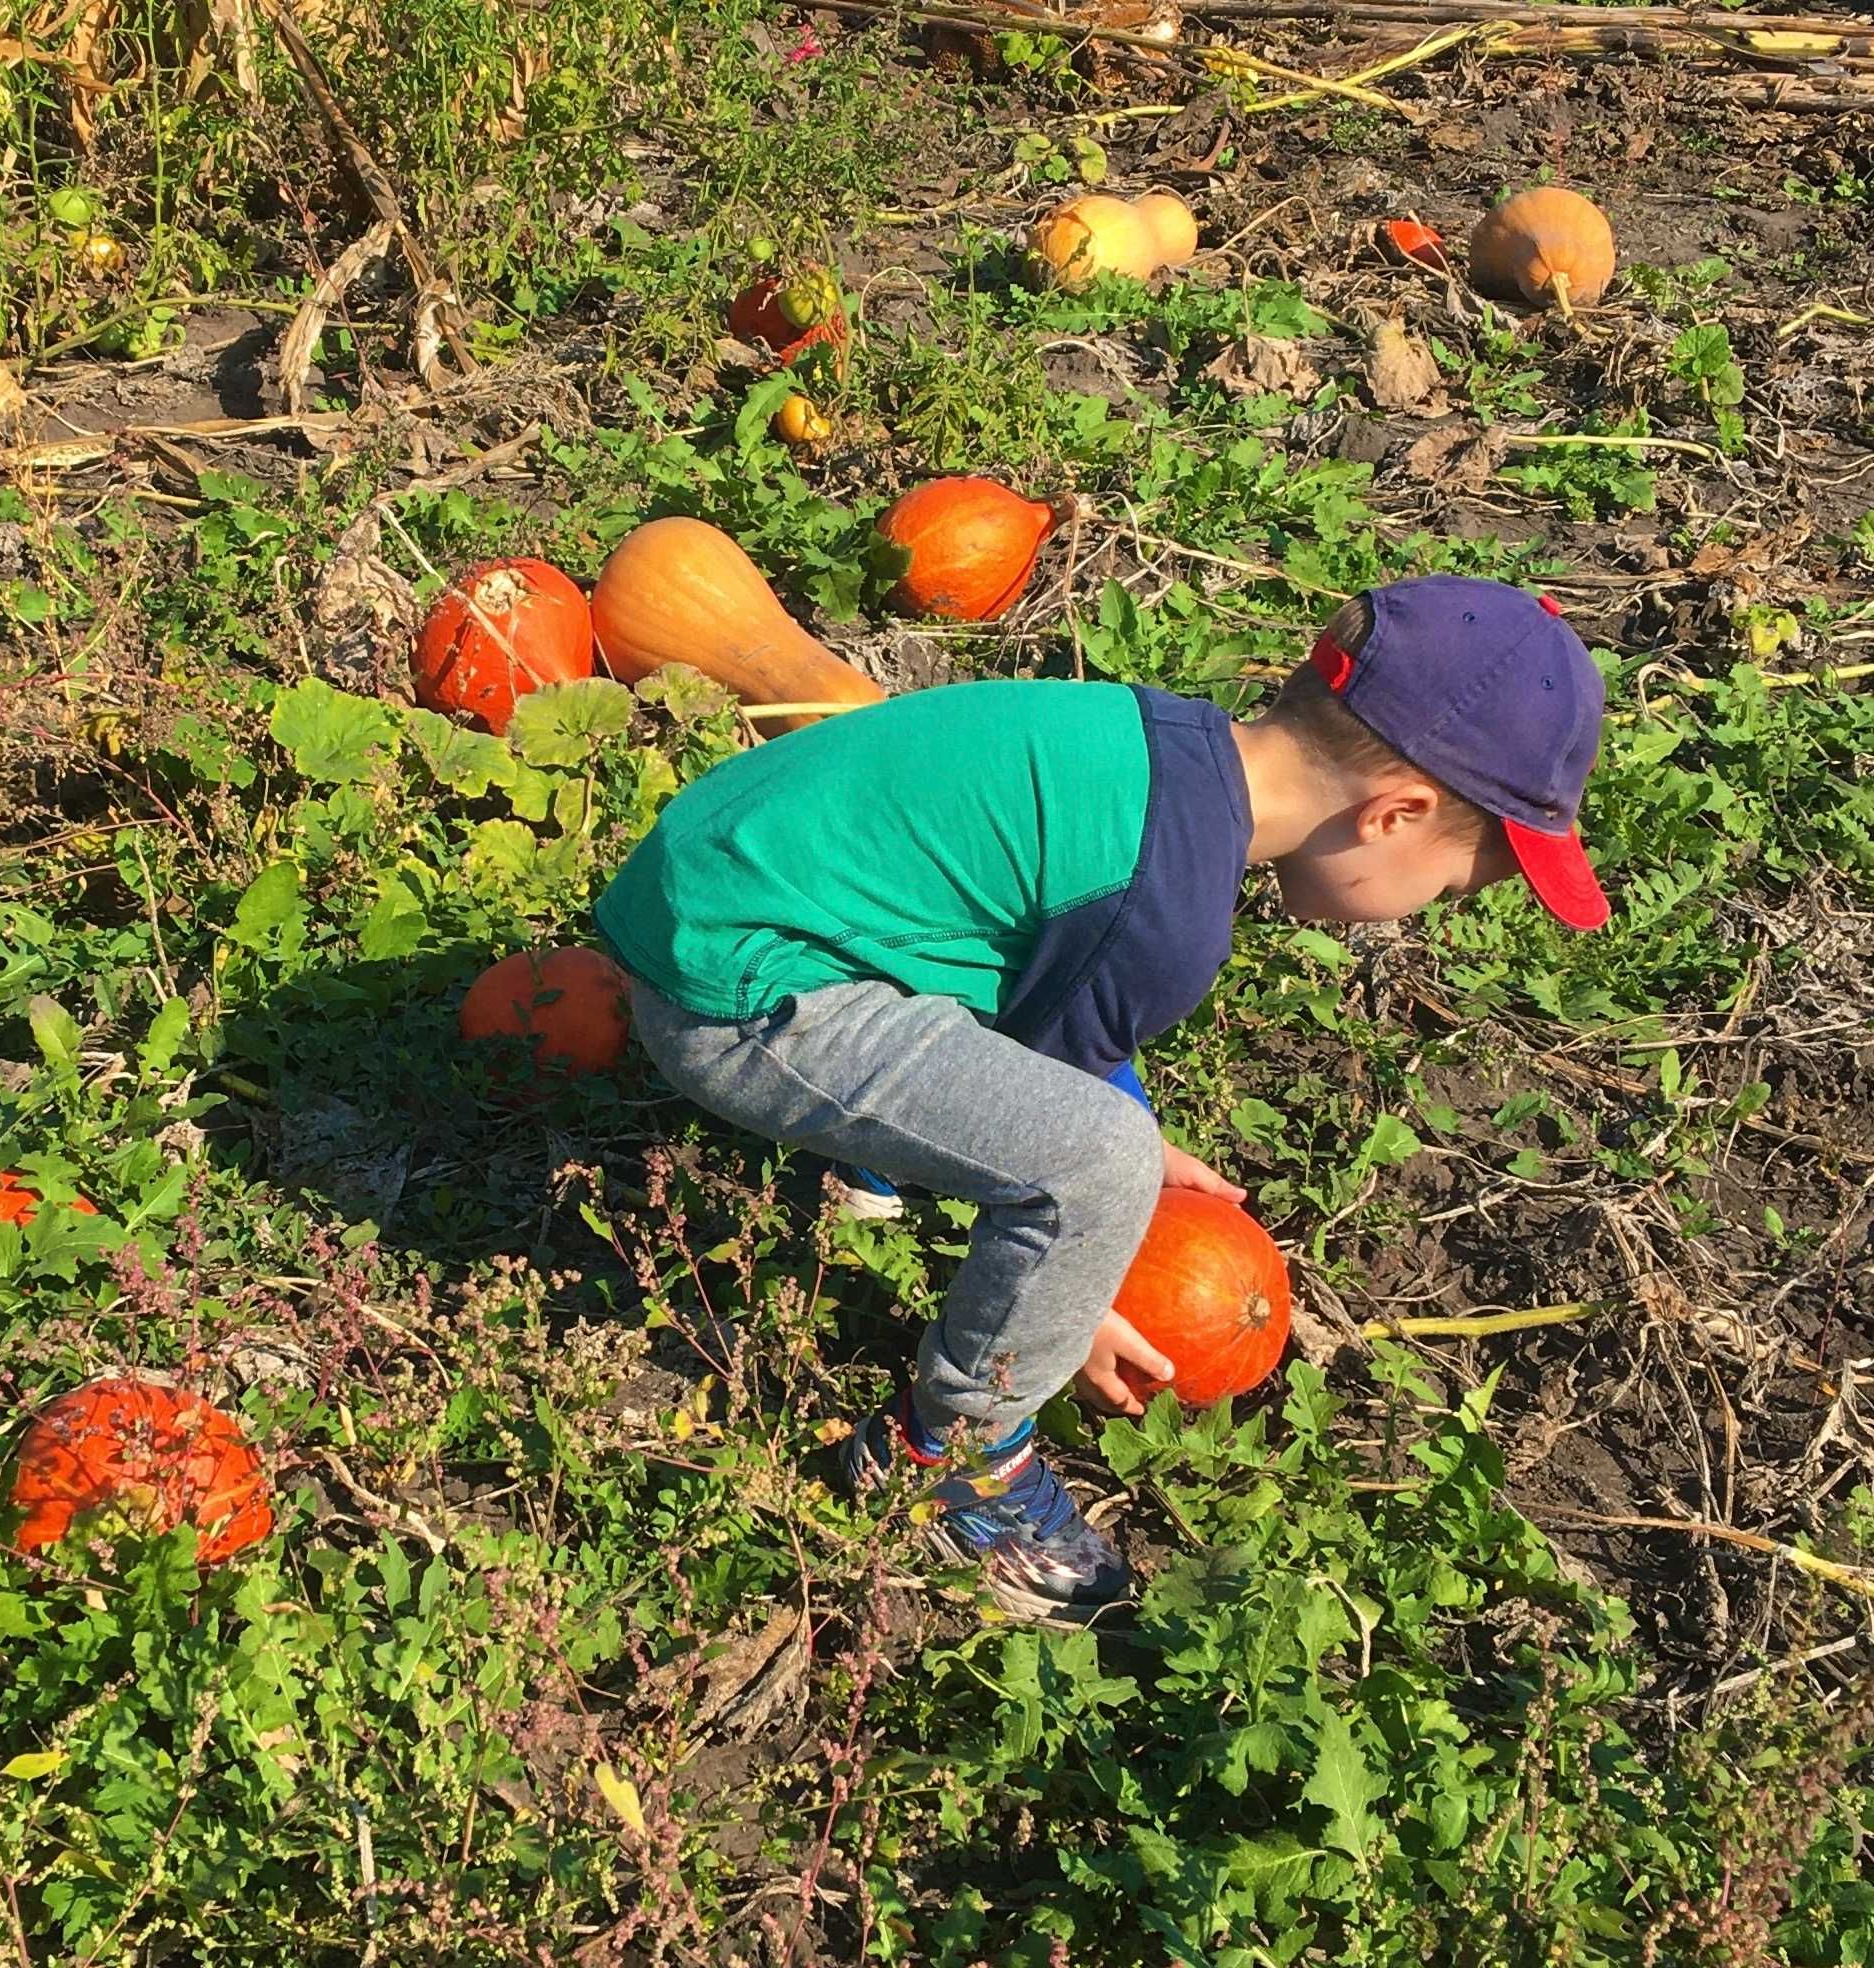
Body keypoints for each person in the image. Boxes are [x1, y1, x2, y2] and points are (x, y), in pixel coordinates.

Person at [593, 576, 1608, 1619]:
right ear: (1395, 814)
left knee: (1102, 1133)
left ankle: (871, 1157)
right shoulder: (1166, 915)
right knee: (1094, 1165)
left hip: (719, 888)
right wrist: (1062, 1306)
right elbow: (1077, 1132)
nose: (1415, 918)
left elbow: (1055, 1024)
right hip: (732, 992)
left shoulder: (1156, 745)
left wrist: (1124, 1145)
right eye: (1442, 889)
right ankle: (953, 1461)